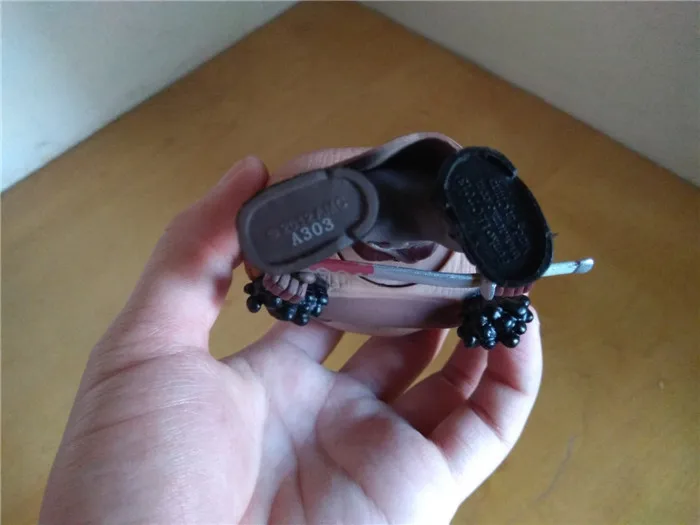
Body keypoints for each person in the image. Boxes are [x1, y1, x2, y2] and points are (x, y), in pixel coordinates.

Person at [40, 156, 542, 524]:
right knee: (331, 248)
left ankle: (399, 203)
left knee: (332, 249)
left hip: (399, 287)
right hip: (382, 285)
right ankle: (399, 202)